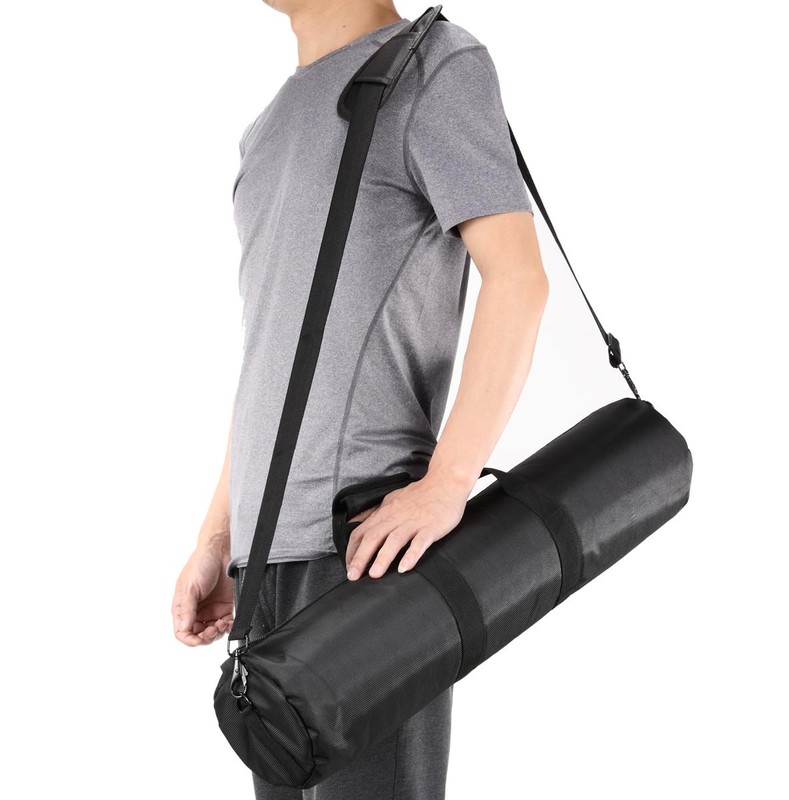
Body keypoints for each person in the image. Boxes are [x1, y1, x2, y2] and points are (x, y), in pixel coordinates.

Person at [172, 1, 549, 797]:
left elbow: (519, 279)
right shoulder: (267, 129)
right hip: (265, 567)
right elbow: (271, 354)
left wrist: (448, 484)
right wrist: (220, 535)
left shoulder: (434, 66)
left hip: (370, 553)